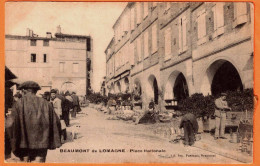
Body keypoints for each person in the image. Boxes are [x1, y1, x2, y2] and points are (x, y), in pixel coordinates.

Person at [7, 81, 61, 163]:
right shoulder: (47, 104)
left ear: (24, 91)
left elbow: (10, 125)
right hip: (41, 144)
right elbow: (56, 122)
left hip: (22, 145)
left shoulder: (18, 104)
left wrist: (12, 142)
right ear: (36, 91)